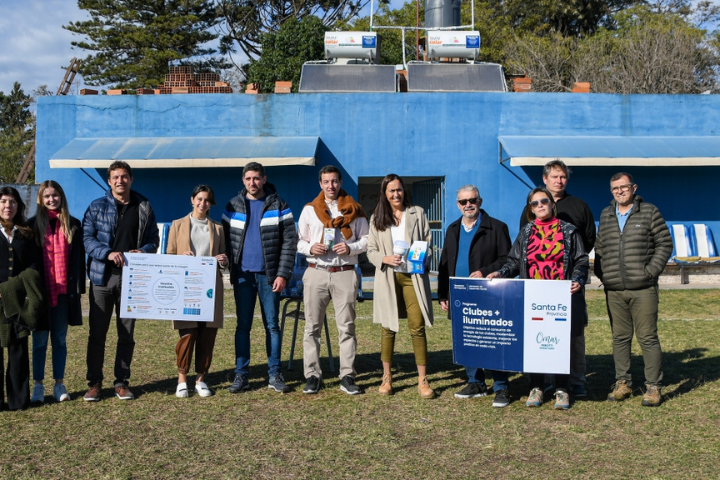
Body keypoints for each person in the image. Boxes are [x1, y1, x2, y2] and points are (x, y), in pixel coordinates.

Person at [488, 187, 588, 410]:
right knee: (536, 342)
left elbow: (581, 259)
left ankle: (562, 389)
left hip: (560, 295)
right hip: (533, 294)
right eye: (535, 203)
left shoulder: (569, 231)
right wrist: (500, 273)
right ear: (530, 209)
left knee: (559, 342)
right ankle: (537, 386)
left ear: (552, 203)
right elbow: (514, 261)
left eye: (544, 201)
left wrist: (578, 279)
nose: (540, 205)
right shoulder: (526, 232)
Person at [82, 161, 159, 401]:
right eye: (115, 177)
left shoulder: (143, 206)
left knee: (126, 333)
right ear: (109, 180)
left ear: (131, 179)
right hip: (102, 278)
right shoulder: (96, 207)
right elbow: (87, 238)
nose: (120, 181)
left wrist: (143, 251)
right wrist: (106, 252)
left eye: (124, 176)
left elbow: (153, 239)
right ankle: (94, 383)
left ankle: (121, 382)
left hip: (132, 280)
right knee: (97, 334)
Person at [594, 173, 672, 407]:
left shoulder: (649, 211)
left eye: (624, 187)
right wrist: (604, 275)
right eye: (615, 188)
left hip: (643, 288)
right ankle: (623, 383)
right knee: (620, 338)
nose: (619, 191)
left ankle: (653, 386)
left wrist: (650, 272)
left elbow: (665, 244)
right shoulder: (606, 215)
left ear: (634, 188)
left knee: (647, 337)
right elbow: (599, 249)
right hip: (614, 290)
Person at [519, 159, 595, 398]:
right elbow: (523, 250)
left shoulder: (579, 206)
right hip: (537, 288)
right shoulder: (530, 211)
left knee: (573, 334)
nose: (559, 181)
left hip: (568, 285)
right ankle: (543, 382)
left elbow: (587, 242)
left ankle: (575, 381)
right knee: (540, 334)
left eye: (563, 177)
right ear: (545, 179)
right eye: (554, 177)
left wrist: (576, 274)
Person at [222, 162, 297, 394]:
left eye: (256, 178)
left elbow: (289, 243)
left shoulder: (279, 204)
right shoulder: (232, 206)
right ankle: (241, 375)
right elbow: (224, 240)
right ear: (243, 181)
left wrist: (283, 274)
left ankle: (275, 374)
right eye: (248, 179)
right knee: (242, 326)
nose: (252, 183)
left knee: (272, 326)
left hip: (269, 277)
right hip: (243, 276)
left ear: (264, 179)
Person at [438, 185, 512, 407]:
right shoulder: (452, 229)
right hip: (460, 295)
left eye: (472, 200)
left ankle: (501, 386)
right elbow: (444, 263)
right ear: (458, 205)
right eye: (463, 202)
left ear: (480, 201)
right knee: (466, 339)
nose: (468, 204)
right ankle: (475, 382)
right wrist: (444, 294)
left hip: (487, 293)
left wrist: (485, 270)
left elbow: (507, 259)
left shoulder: (497, 227)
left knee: (492, 340)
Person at [297, 166, 368, 395]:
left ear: (340, 182)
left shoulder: (355, 210)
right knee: (312, 327)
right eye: (326, 182)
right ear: (320, 184)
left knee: (346, 327)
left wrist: (350, 247)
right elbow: (298, 242)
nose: (331, 186)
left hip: (345, 272)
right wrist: (310, 247)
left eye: (335, 181)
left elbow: (367, 240)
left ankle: (347, 375)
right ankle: (312, 375)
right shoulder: (309, 210)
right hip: (316, 271)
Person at [367, 174, 435, 399]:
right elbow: (370, 250)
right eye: (391, 191)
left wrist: (423, 259)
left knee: (417, 326)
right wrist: (385, 259)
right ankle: (387, 377)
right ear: (384, 194)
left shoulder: (418, 212)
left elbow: (428, 243)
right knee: (388, 327)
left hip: (412, 277)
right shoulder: (377, 217)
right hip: (388, 277)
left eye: (399, 190)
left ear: (403, 191)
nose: (396, 194)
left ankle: (422, 380)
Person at [166, 185, 228, 398]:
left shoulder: (217, 228)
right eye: (199, 199)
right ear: (192, 199)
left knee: (207, 334)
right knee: (188, 332)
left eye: (207, 200)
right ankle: (182, 378)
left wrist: (223, 260)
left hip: (211, 287)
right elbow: (168, 257)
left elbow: (224, 259)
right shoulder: (177, 225)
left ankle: (201, 378)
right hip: (186, 287)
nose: (203, 203)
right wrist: (179, 258)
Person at [28, 181, 86, 404]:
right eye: (47, 196)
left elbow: (79, 261)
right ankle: (38, 386)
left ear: (61, 197)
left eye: (55, 195)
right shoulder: (32, 226)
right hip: (40, 294)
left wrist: (78, 289)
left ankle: (59, 383)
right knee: (40, 341)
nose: (51, 200)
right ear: (41, 199)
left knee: (60, 341)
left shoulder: (73, 225)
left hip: (64, 293)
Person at [0, 187, 42, 411]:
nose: (8, 206)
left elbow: (34, 267)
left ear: (19, 206)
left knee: (18, 349)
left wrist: (13, 287)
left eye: (13, 202)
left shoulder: (26, 233)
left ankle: (18, 400)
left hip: (17, 301)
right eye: (4, 201)